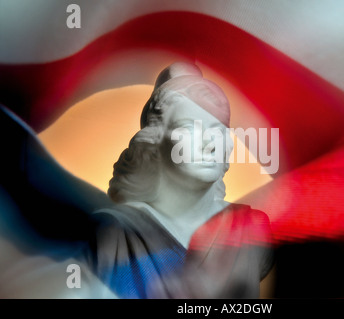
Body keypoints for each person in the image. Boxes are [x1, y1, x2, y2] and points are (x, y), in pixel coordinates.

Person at [84, 62, 273, 298]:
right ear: (153, 141)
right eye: (188, 128)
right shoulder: (111, 233)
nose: (210, 143)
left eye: (219, 130)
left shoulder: (251, 229)